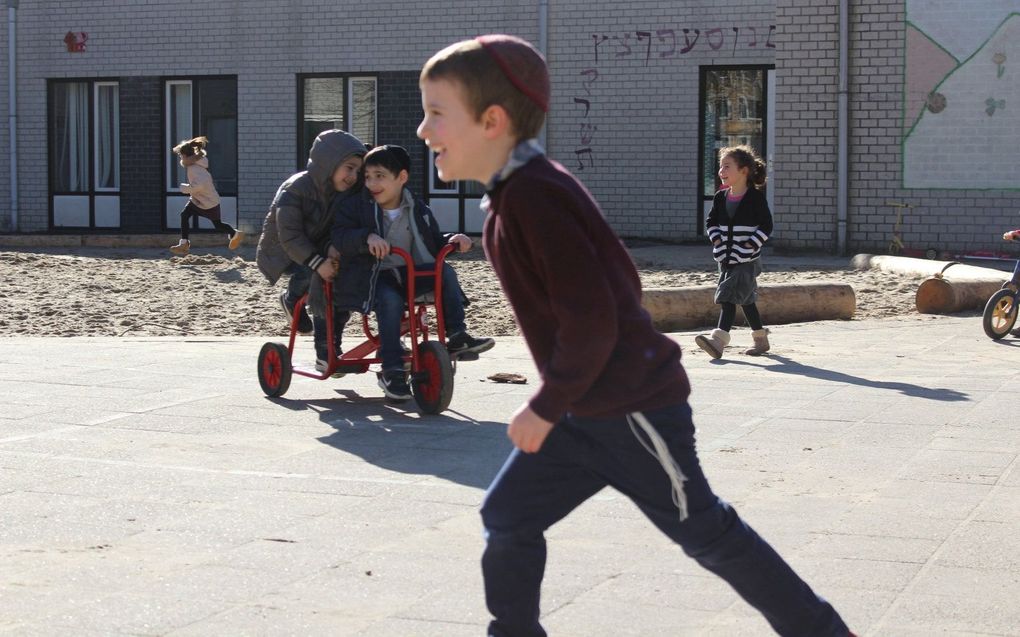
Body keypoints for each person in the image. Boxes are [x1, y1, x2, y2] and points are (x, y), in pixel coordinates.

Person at [416, 34, 856, 637]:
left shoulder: (536, 197)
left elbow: (595, 316)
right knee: (508, 514)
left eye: (436, 112)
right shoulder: (514, 199)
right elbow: (614, 279)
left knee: (705, 531)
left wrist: (545, 405)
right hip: (584, 412)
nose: (423, 129)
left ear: (491, 121)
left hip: (634, 409)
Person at [331, 144, 494, 401]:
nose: (372, 183)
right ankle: (392, 369)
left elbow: (433, 241)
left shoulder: (417, 208)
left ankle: (457, 335)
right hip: (374, 275)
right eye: (368, 177)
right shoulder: (356, 207)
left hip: (409, 272)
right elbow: (340, 236)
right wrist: (367, 237)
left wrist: (454, 239)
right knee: (390, 301)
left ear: (402, 178)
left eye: (380, 176)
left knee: (445, 272)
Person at [255, 129, 365, 372]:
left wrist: (335, 247)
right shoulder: (295, 189)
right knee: (314, 273)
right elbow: (290, 236)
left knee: (339, 283)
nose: (353, 176)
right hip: (283, 251)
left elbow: (339, 226)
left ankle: (333, 348)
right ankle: (294, 300)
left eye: (357, 171)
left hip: (316, 246)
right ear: (329, 163)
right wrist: (319, 260)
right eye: (349, 168)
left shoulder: (342, 194)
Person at [694, 145, 775, 359]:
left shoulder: (755, 198)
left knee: (727, 296)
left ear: (744, 171)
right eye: (720, 166)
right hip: (725, 257)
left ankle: (718, 341)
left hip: (747, 260)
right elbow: (711, 221)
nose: (721, 171)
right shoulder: (721, 197)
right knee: (747, 300)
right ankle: (761, 339)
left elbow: (766, 226)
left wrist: (750, 245)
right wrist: (717, 238)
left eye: (727, 166)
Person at [169, 136, 244, 255]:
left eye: (181, 155)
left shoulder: (194, 168)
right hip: (199, 199)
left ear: (186, 156)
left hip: (208, 202)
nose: (180, 158)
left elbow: (200, 186)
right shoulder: (195, 165)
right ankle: (184, 243)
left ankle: (235, 233)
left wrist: (184, 188)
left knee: (217, 224)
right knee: (185, 215)